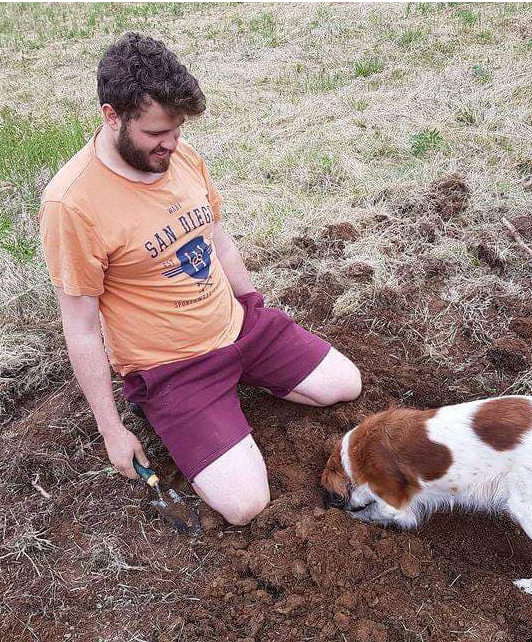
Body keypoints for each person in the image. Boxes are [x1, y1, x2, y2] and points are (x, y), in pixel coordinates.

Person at [38, 33, 362, 526]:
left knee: (346, 385)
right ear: (112, 116)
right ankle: (172, 410)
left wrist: (255, 308)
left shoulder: (179, 156)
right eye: (155, 133)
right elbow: (80, 326)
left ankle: (238, 382)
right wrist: (111, 430)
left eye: (177, 129)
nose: (170, 143)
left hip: (236, 326)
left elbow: (219, 240)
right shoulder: (73, 205)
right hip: (174, 366)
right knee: (245, 504)